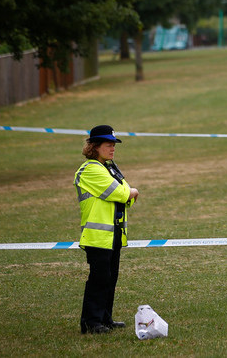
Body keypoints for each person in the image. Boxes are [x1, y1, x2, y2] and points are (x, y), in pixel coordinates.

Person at [74, 125, 139, 334]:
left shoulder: (109, 167)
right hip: (98, 236)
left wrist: (128, 193)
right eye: (108, 145)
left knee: (110, 278)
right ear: (94, 146)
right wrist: (129, 192)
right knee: (99, 279)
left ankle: (105, 319)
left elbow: (125, 196)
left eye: (113, 145)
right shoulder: (90, 170)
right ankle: (91, 323)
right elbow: (122, 193)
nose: (112, 148)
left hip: (114, 233)